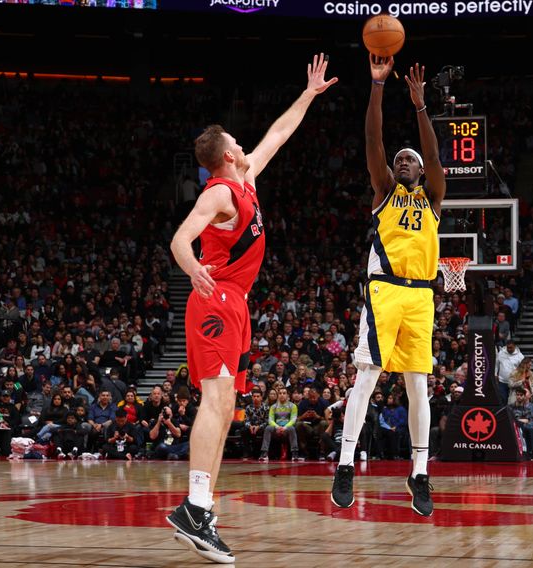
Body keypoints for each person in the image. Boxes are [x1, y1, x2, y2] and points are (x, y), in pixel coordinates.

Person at [165, 53, 337, 564]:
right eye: (237, 143)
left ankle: (203, 508)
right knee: (215, 404)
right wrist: (193, 268)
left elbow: (278, 135)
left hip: (237, 303)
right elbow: (180, 238)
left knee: (228, 409)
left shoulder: (247, 180)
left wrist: (309, 94)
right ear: (225, 156)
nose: (246, 145)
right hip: (215, 301)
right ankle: (194, 506)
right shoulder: (219, 193)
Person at [331, 56, 445, 518]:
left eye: (409, 160)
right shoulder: (384, 192)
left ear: (419, 172)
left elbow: (435, 156)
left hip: (421, 296)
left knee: (419, 386)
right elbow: (372, 139)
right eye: (399, 160)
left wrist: (421, 108)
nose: (402, 162)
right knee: (367, 377)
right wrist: (378, 86)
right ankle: (344, 464)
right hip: (384, 291)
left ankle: (419, 472)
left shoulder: (433, 196)